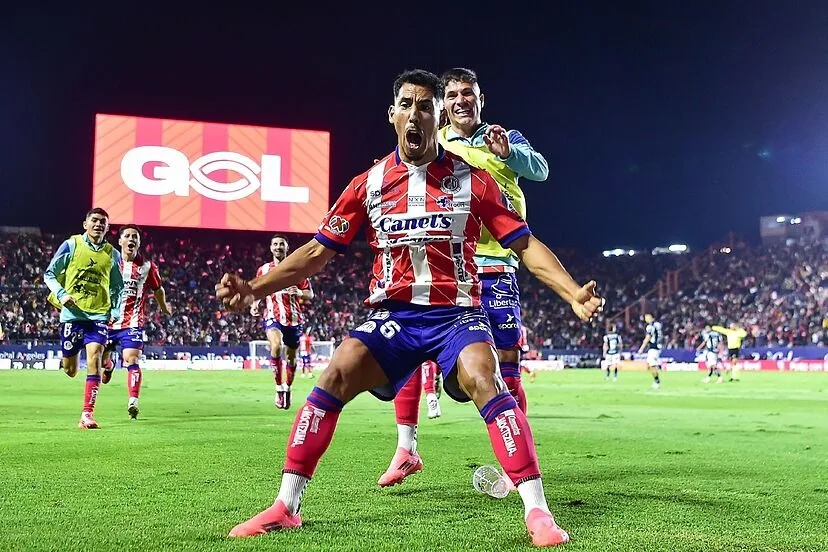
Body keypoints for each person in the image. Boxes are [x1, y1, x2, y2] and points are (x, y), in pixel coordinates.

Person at [216, 69, 602, 547]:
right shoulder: (368, 183)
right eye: (407, 104)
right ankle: (285, 505)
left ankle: (537, 512)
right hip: (394, 316)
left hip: (456, 315)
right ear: (393, 115)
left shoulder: (474, 182)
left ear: (437, 115)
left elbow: (524, 243)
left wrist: (571, 292)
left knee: (486, 376)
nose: (415, 113)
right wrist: (255, 289)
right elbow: (317, 252)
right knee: (335, 373)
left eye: (425, 105)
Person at [378, 67, 549, 487]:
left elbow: (540, 170)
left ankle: (517, 465)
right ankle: (406, 449)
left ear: (480, 98)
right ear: (443, 103)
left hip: (496, 264)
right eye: (451, 94)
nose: (460, 101)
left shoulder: (504, 137)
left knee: (506, 359)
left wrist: (509, 153)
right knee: (413, 349)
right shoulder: (436, 140)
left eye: (467, 93)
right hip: (444, 266)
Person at [44, 208, 124, 429]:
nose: (98, 225)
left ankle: (87, 414)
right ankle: (110, 362)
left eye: (103, 222)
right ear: (85, 224)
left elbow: (117, 287)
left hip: (98, 315)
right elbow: (49, 273)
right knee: (70, 370)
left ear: (107, 228)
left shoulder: (113, 254)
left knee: (94, 358)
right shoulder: (71, 245)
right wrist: (61, 295)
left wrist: (115, 311)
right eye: (94, 221)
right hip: (72, 315)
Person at [101, 224, 171, 419]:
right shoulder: (109, 263)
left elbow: (158, 290)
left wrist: (164, 307)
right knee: (99, 360)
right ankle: (108, 365)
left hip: (132, 323)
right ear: (120, 241)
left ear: (139, 243)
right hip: (107, 323)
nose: (131, 239)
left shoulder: (148, 267)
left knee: (131, 359)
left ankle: (133, 401)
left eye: (135, 237)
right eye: (128, 236)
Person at [250, 235, 314, 409]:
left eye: (281, 244)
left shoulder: (297, 269)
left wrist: (300, 293)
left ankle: (287, 388)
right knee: (276, 346)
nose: (278, 247)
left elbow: (310, 294)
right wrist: (254, 304)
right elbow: (258, 290)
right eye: (275, 244)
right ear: (271, 248)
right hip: (273, 316)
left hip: (293, 319)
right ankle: (278, 388)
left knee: (291, 358)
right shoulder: (263, 270)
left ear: (287, 248)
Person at [637, 313, 663, 389]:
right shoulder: (658, 324)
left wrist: (641, 348)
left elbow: (648, 337)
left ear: (649, 317)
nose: (645, 319)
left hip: (653, 347)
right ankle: (656, 381)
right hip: (657, 346)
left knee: (652, 365)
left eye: (646, 317)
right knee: (651, 365)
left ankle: (657, 382)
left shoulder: (650, 327)